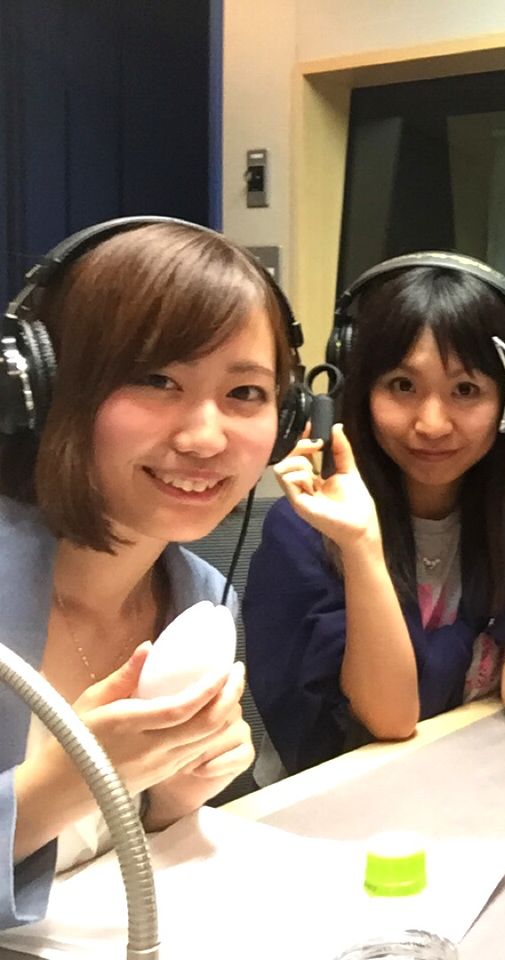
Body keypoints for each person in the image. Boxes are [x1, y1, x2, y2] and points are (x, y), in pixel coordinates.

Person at [244, 255, 505, 781]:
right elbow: (390, 721)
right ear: (362, 390)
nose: (432, 423)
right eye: (402, 386)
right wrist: (361, 545)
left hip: (464, 781)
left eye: (466, 390)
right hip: (328, 798)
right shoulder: (305, 532)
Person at [0, 218, 303, 928]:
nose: (204, 437)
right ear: (44, 386)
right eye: (157, 379)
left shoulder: (201, 599)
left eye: (246, 393)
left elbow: (120, 855)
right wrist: (58, 787)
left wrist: (173, 795)